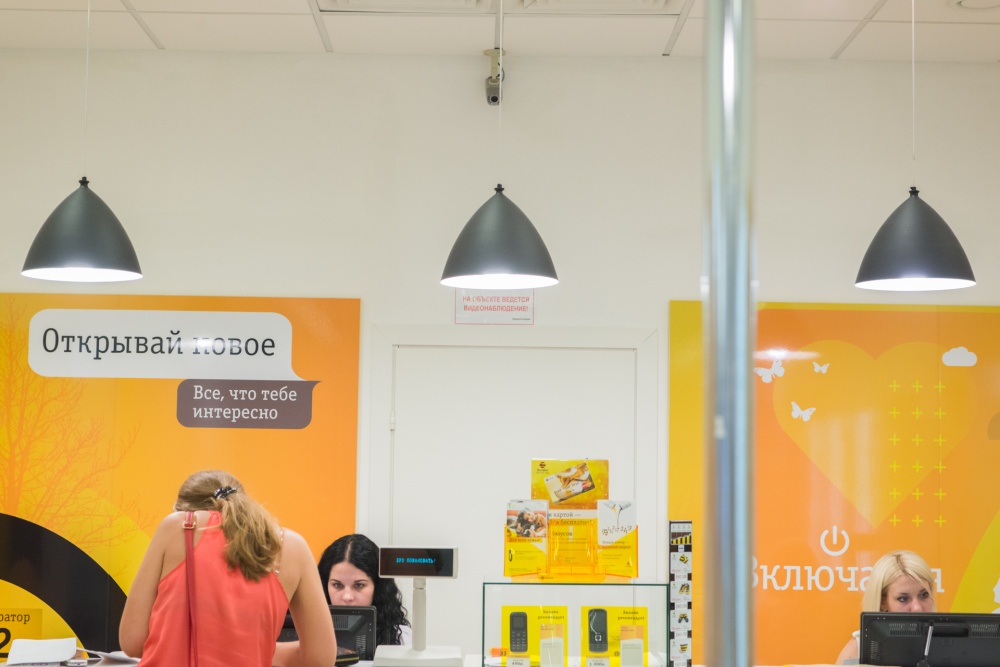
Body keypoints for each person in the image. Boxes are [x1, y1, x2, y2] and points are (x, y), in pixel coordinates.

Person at [119, 470, 336, 667]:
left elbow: (132, 641)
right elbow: (320, 658)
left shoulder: (178, 526)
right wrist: (252, 648)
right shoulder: (291, 546)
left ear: (182, 509)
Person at [835, 550, 936, 664]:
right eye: (903, 599)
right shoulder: (858, 650)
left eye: (924, 595)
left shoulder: (948, 642)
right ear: (883, 603)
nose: (917, 608)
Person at [318, 533, 412, 646]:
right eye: (337, 585)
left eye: (359, 585)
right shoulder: (306, 635)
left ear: (377, 587)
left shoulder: (401, 638)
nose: (347, 597)